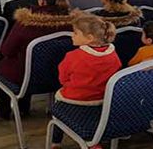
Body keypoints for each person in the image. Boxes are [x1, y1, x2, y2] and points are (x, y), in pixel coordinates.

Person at [0, 0, 74, 119]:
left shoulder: (26, 22)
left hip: (26, 77)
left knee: (2, 65)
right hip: (59, 75)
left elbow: (7, 50)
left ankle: (4, 110)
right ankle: (23, 108)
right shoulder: (73, 22)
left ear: (41, 1)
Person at [50, 14, 121, 148]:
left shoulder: (73, 56)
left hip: (75, 101)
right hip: (103, 100)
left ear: (89, 38)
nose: (72, 35)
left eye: (76, 33)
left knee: (57, 101)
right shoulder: (113, 54)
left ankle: (56, 142)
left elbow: (62, 79)